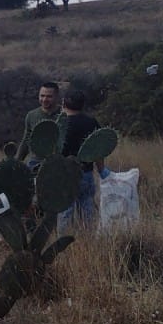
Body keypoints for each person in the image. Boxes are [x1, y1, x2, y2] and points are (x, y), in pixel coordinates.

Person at [58, 90, 102, 231]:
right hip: (86, 172)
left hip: (65, 174)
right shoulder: (91, 122)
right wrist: (102, 170)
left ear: (64, 102)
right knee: (87, 209)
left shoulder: (59, 124)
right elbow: (99, 149)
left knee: (65, 212)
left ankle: (63, 245)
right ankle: (88, 243)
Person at [15, 81, 62, 165]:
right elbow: (26, 140)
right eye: (42, 96)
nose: (44, 99)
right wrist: (16, 162)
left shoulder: (64, 115)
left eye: (49, 96)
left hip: (58, 163)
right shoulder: (31, 115)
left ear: (57, 97)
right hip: (35, 162)